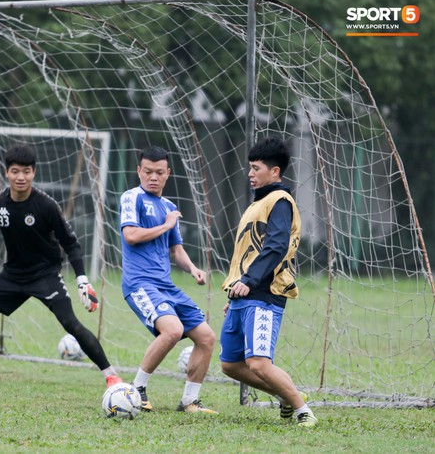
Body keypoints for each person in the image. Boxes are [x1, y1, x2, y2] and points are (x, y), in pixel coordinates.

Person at [0, 143, 123, 388]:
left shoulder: (46, 206)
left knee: (70, 324)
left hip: (45, 276)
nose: (21, 177)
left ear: (34, 173)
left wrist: (82, 280)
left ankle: (111, 376)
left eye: (27, 171)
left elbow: (71, 244)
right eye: (16, 171)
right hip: (12, 276)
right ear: (7, 173)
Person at [220, 136, 318, 427]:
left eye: (256, 168)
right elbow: (248, 252)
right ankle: (286, 396)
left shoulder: (280, 201)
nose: (250, 173)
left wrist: (249, 281)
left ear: (275, 172)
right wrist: (236, 293)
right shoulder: (259, 203)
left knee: (259, 363)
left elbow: (275, 246)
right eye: (249, 167)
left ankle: (303, 410)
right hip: (244, 294)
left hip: (263, 295)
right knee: (231, 365)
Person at [119, 146, 216, 414]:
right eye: (147, 171)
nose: (153, 177)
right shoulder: (132, 197)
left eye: (159, 172)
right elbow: (131, 236)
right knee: (172, 330)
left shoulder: (169, 206)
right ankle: (136, 390)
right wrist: (166, 224)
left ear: (167, 174)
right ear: (138, 171)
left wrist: (193, 268)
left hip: (166, 286)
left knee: (206, 337)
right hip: (140, 283)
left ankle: (189, 401)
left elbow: (176, 250)